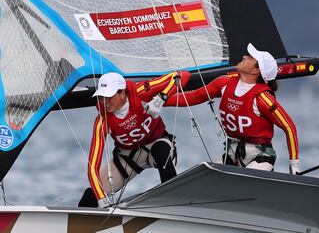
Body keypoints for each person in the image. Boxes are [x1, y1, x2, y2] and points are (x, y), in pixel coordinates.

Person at [165, 43, 300, 174]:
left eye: (250, 57)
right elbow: (193, 97)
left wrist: (294, 164)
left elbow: (289, 127)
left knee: (246, 181)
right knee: (207, 178)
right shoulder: (224, 83)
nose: (244, 57)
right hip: (232, 155)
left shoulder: (263, 98)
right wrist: (160, 100)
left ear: (256, 70)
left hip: (260, 159)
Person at [78, 71, 190, 208]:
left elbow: (182, 75)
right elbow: (92, 167)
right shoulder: (102, 121)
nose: (104, 102)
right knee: (91, 196)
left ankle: (175, 202)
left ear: (122, 93)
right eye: (101, 97)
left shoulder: (140, 91)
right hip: (127, 157)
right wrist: (101, 198)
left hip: (157, 144)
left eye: (108, 97)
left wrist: (162, 97)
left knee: (162, 152)